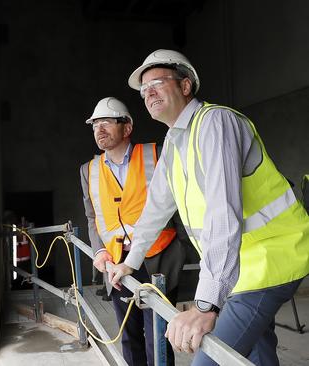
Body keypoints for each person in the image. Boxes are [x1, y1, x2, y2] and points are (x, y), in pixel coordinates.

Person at [109, 49, 309, 365]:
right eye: (144, 90)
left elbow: (222, 212)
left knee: (209, 360)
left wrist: (206, 306)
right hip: (243, 266)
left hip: (270, 261)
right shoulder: (174, 143)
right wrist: (131, 262)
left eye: (157, 83)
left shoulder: (216, 122)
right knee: (257, 350)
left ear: (186, 86)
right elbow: (155, 210)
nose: (149, 93)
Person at [80, 97, 187, 366]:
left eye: (106, 122)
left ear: (127, 127)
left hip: (158, 259)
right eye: (94, 125)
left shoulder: (157, 154)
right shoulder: (88, 171)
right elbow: (92, 217)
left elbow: (183, 203)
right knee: (129, 336)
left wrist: (184, 248)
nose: (99, 130)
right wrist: (100, 251)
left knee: (158, 337)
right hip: (116, 264)